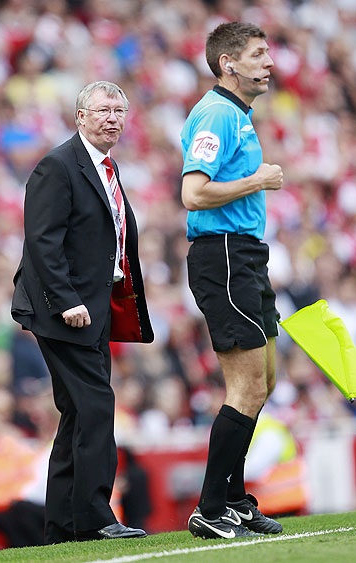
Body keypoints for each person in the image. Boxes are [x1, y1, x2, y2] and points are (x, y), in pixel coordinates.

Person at [11, 81, 154, 544]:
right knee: (96, 407)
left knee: (77, 414)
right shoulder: (58, 166)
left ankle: (61, 526)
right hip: (64, 312)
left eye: (119, 110)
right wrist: (66, 299)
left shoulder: (107, 168)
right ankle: (93, 517)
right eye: (102, 110)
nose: (112, 117)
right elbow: (42, 240)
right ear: (80, 117)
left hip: (93, 311)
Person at [180, 22, 284, 539]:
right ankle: (210, 506)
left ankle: (236, 500)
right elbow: (193, 194)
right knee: (245, 385)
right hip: (222, 254)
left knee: (263, 380)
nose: (270, 63)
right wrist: (258, 179)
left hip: (245, 254)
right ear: (228, 64)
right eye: (258, 54)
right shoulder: (217, 113)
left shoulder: (238, 115)